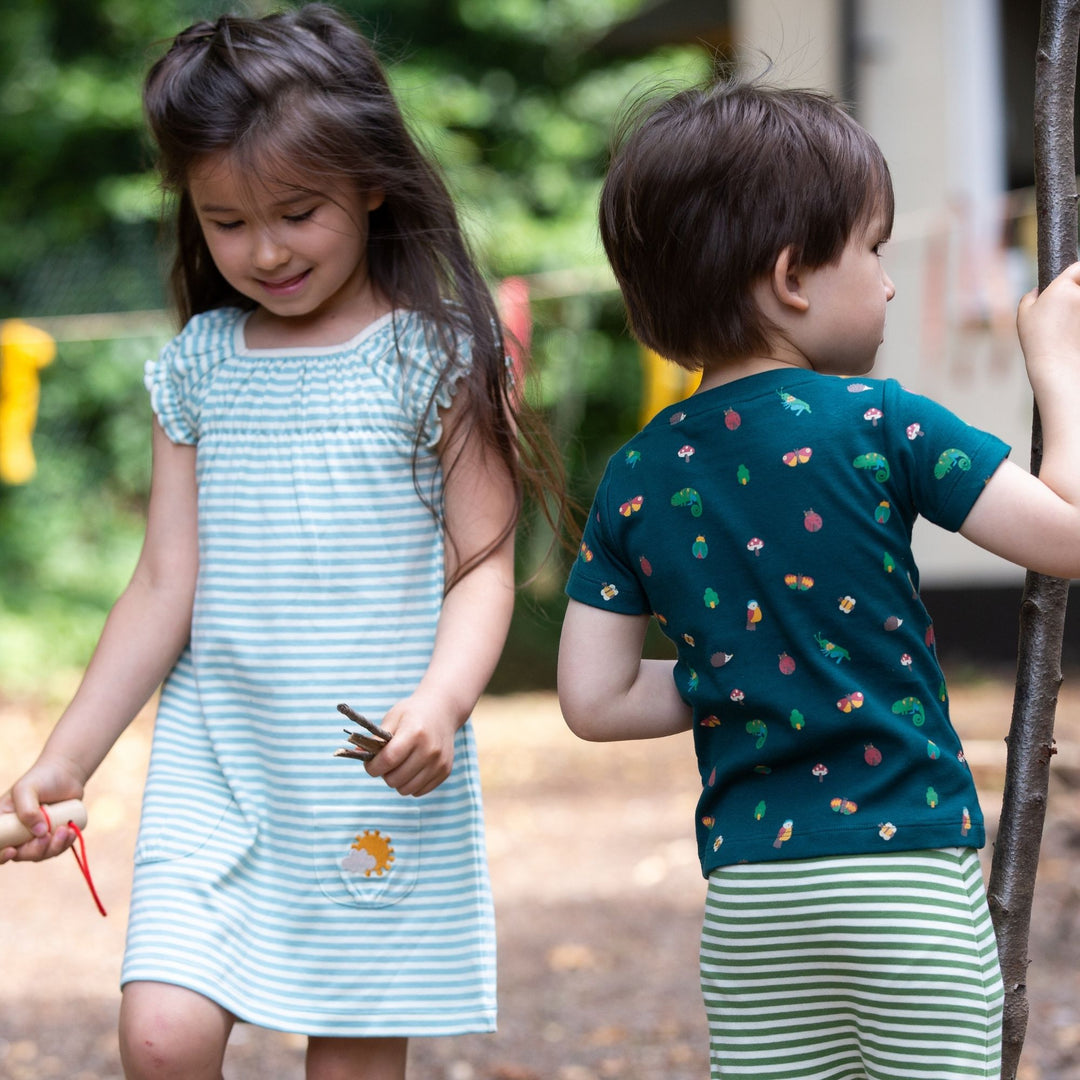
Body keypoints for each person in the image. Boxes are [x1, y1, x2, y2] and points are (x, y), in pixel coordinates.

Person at [0, 6, 563, 1078]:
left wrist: (443, 701)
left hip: (370, 764)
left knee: (347, 1061)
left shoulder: (435, 359)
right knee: (160, 1039)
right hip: (217, 756)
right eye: (225, 222)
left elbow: (483, 563)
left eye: (296, 213)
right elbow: (163, 581)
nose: (263, 251)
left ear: (370, 181)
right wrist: (64, 763)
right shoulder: (201, 364)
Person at [558, 75, 1080, 1080]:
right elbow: (1068, 536)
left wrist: (739, 666)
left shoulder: (634, 476)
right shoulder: (884, 422)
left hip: (754, 902)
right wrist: (1056, 364)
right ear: (793, 276)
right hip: (907, 883)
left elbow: (596, 698)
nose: (886, 281)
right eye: (873, 250)